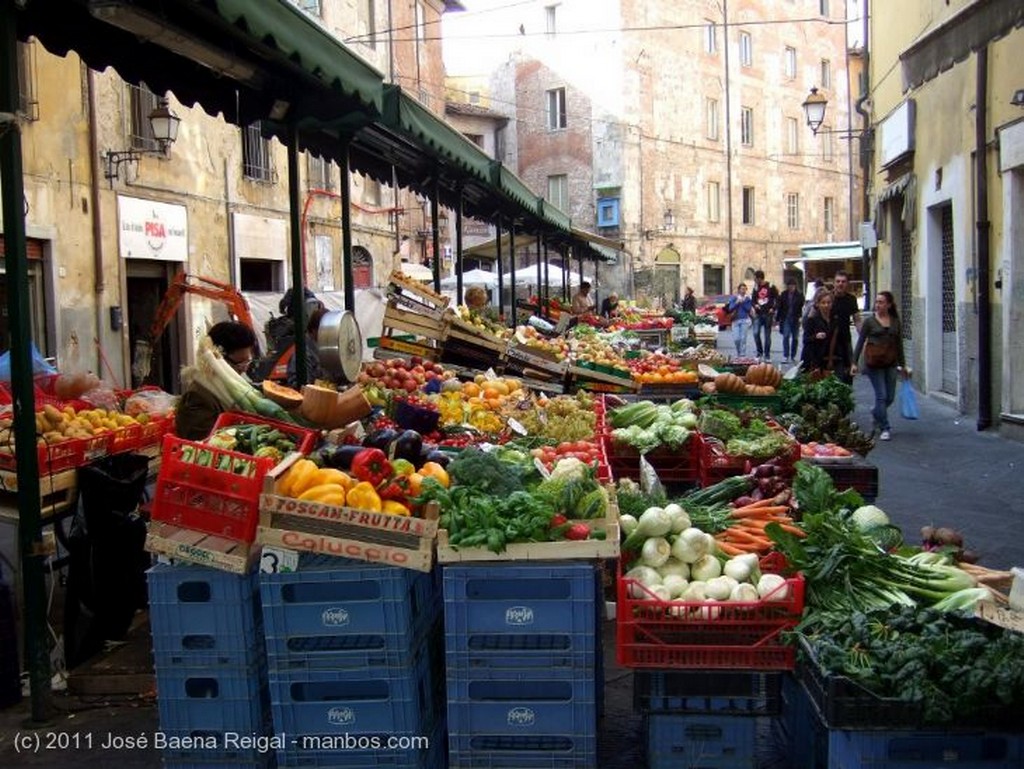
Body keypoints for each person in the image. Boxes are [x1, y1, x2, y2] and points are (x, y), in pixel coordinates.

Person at [175, 321, 256, 441]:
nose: (244, 369)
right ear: (218, 358)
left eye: (247, 362)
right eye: (240, 364)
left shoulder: (234, 385)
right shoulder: (197, 397)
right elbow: (200, 443)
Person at [851, 291, 907, 441]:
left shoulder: (895, 321)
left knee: (889, 397)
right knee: (881, 396)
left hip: (891, 363)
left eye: (881, 302)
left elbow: (899, 344)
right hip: (873, 363)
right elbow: (860, 341)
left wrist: (903, 365)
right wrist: (854, 363)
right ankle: (885, 427)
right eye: (877, 302)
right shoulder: (870, 321)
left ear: (889, 304)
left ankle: (876, 412)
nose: (878, 305)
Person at [801, 288, 849, 376]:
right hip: (816, 359)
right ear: (818, 304)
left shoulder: (836, 320)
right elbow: (805, 340)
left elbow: (843, 342)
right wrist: (816, 336)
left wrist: (847, 363)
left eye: (828, 302)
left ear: (832, 304)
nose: (826, 305)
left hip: (834, 358)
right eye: (823, 303)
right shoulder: (812, 320)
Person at [830, 270, 860, 384]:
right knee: (833, 374)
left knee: (848, 374)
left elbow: (857, 320)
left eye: (843, 281)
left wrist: (863, 337)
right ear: (834, 283)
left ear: (847, 284)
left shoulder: (851, 299)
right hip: (830, 341)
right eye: (838, 281)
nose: (840, 284)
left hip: (845, 341)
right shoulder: (828, 298)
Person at [287, 307, 327, 388]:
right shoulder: (304, 353)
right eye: (326, 330)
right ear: (314, 330)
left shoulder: (324, 347)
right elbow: (298, 385)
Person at [750, 270, 779, 361]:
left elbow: (777, 299)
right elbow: (753, 299)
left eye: (755, 278)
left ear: (759, 278)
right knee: (755, 333)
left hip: (768, 314)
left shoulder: (771, 286)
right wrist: (755, 305)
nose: (754, 280)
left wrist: (773, 308)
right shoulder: (755, 287)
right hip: (758, 313)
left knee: (767, 335)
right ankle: (759, 352)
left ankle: (767, 355)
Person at [776, 279, 805, 364]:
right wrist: (778, 319)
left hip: (795, 318)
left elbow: (801, 307)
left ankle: (793, 355)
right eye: (789, 285)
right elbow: (780, 307)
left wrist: (800, 316)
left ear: (795, 286)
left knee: (795, 338)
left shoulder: (799, 295)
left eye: (792, 285)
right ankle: (786, 355)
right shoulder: (783, 294)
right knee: (786, 336)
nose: (791, 287)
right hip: (786, 318)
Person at [726, 283, 755, 357]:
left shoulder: (747, 299)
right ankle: (739, 352)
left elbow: (748, 309)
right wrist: (737, 302)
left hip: (744, 320)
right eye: (742, 289)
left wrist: (743, 303)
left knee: (743, 338)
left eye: (745, 289)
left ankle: (742, 354)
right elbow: (730, 308)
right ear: (738, 290)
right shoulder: (734, 298)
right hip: (735, 320)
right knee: (736, 339)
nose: (743, 291)